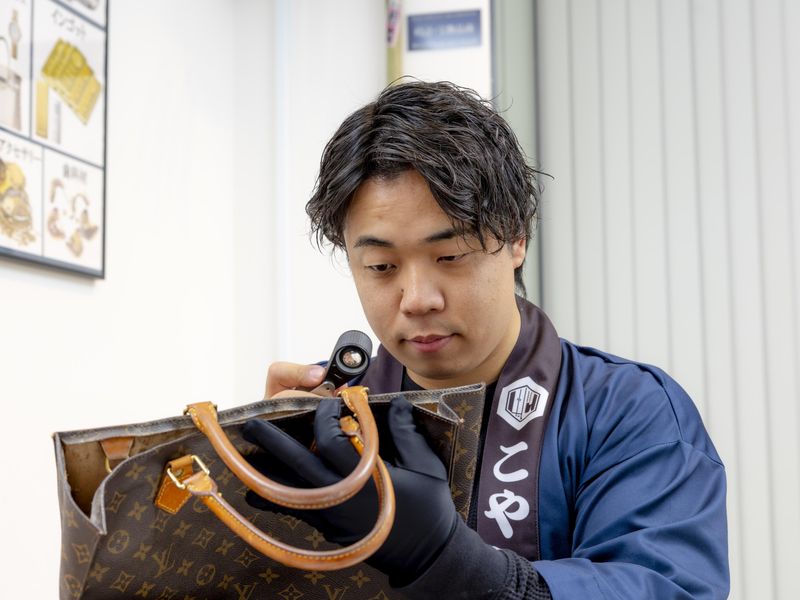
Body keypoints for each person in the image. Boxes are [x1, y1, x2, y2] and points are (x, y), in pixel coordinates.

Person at [242, 81, 729, 599]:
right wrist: (253, 475)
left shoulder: (627, 412)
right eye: (381, 266)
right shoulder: (333, 416)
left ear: (517, 236)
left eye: (449, 256)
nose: (417, 299)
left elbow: (663, 586)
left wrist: (450, 564)